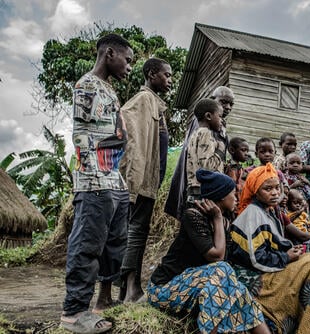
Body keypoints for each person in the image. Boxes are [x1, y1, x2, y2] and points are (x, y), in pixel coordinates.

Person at [61, 33, 133, 333]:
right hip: (94, 179)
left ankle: (102, 301)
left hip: (113, 179)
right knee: (87, 245)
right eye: (127, 61)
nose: (129, 67)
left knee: (114, 245)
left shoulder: (109, 89)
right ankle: (74, 313)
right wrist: (112, 146)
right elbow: (82, 136)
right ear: (110, 53)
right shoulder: (86, 85)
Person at [147, 169, 270, 334]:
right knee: (223, 270)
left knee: (239, 289)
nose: (237, 198)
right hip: (165, 289)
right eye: (234, 194)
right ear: (221, 196)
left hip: (197, 288)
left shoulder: (225, 224)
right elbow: (217, 257)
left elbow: (232, 257)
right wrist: (218, 218)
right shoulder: (193, 216)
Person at [231, 163, 310, 333]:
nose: (275, 192)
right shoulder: (253, 214)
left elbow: (276, 244)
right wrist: (287, 257)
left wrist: (290, 251)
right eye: (267, 189)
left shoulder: (270, 210)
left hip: (270, 267)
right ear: (255, 190)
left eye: (277, 187)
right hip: (258, 277)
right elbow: (256, 259)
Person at [118, 58, 173, 303]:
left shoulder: (155, 104)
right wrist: (133, 181)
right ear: (151, 74)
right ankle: (131, 289)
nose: (170, 80)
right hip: (139, 182)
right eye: (166, 75)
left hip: (149, 182)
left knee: (139, 231)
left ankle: (128, 289)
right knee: (135, 232)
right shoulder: (142, 101)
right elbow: (132, 141)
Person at [164, 86, 235, 220]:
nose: (228, 107)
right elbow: (204, 163)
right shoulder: (203, 127)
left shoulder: (218, 125)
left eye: (231, 104)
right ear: (213, 100)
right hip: (200, 185)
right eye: (224, 102)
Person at [185, 98, 225, 202]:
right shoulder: (206, 134)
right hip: (204, 188)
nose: (222, 120)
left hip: (194, 187)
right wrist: (220, 151)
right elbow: (206, 167)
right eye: (220, 116)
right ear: (208, 116)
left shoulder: (195, 134)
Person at [224, 136, 250, 203]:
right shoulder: (232, 168)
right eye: (243, 150)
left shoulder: (239, 167)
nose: (246, 154)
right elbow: (232, 188)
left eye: (247, 151)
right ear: (232, 150)